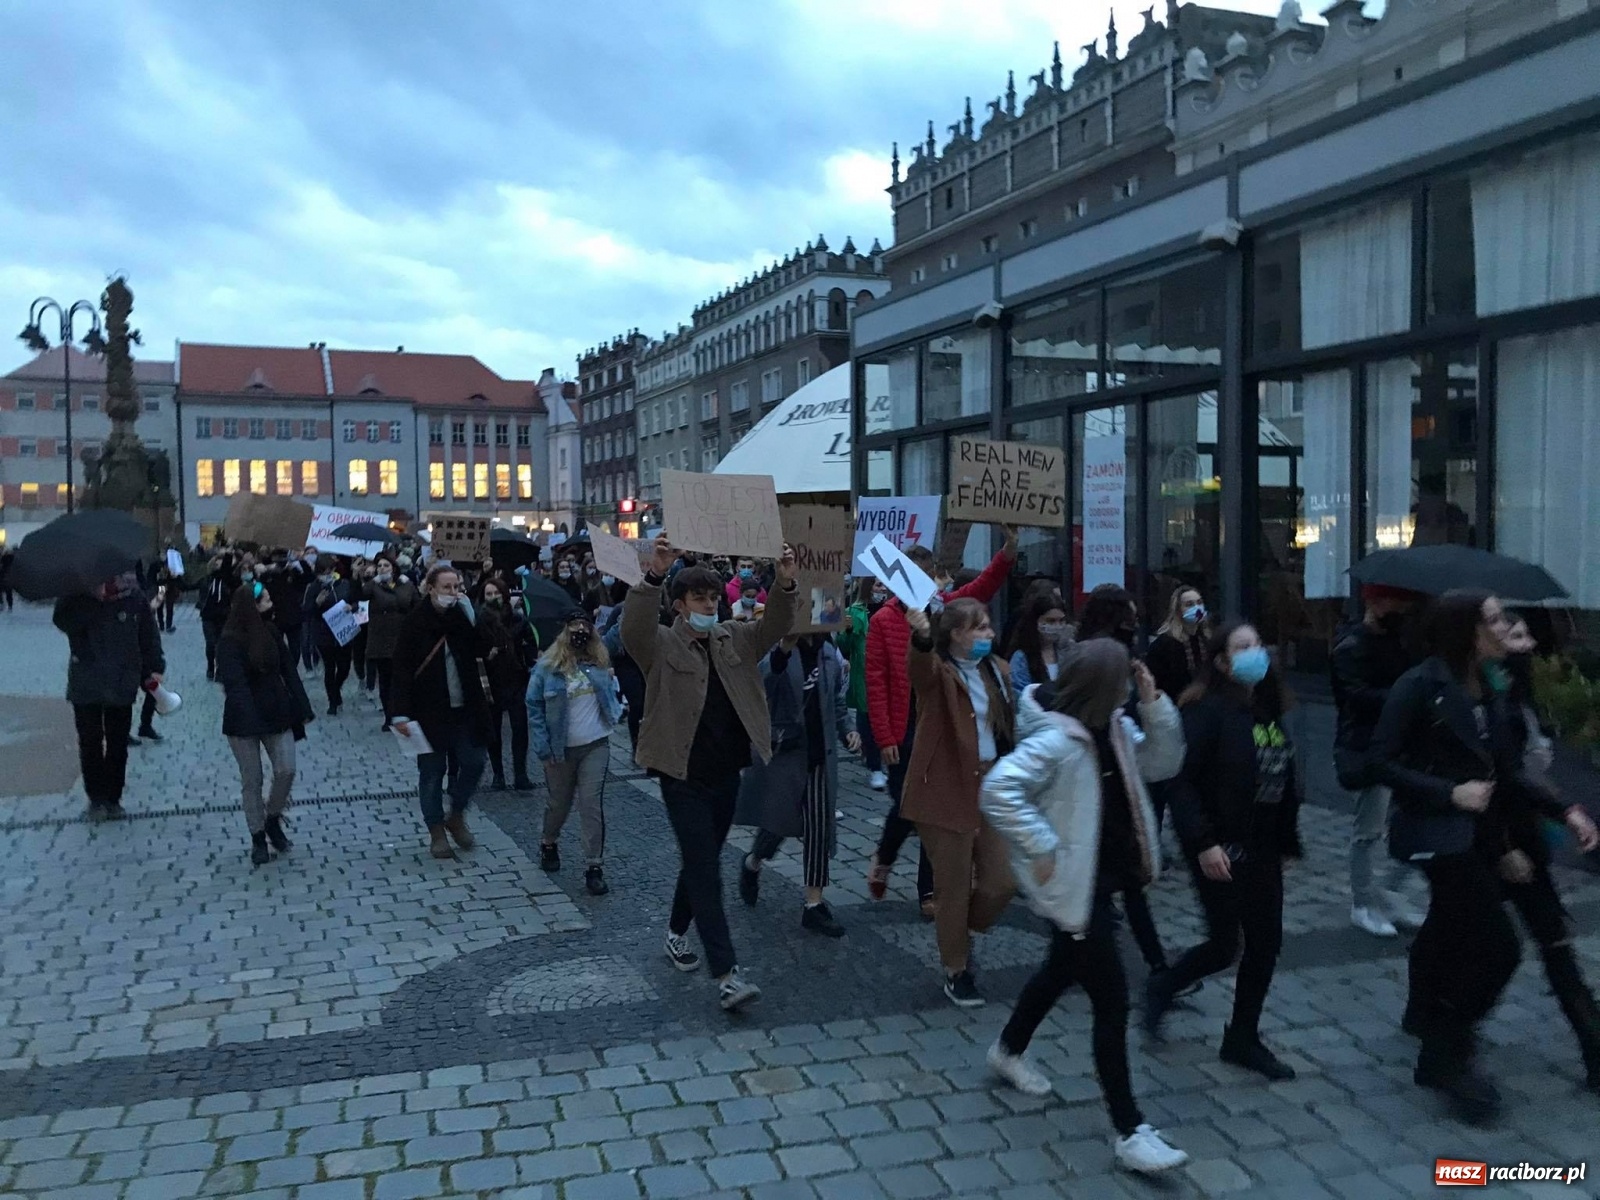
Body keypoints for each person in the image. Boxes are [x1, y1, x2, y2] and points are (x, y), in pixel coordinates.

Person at [1372, 590, 1595, 1121]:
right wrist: (1447, 793)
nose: (1504, 629)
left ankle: (1441, 1044)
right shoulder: (1420, 686)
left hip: (1491, 833)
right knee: (1495, 947)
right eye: (1493, 621)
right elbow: (1373, 762)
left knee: (1494, 936)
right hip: (1442, 836)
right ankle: (1445, 1044)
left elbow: (1509, 771)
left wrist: (1566, 811)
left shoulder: (1491, 689)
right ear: (1467, 631)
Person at [981, 640, 1189, 1175]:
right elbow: (1000, 788)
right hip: (1076, 885)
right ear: (1103, 686)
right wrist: (1043, 845)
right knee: (1112, 1000)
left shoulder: (1115, 727)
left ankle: (1007, 1050)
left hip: (1103, 876)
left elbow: (1163, 763)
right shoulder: (1058, 740)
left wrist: (1154, 705)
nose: (1130, 683)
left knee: (1058, 970)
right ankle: (1129, 1129)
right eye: (1124, 677)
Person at [622, 536, 799, 1013]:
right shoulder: (661, 643)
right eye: (699, 598)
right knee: (704, 866)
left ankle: (676, 931)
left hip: (727, 772)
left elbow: (780, 625)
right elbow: (632, 630)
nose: (708, 604)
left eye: (713, 597)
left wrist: (783, 582)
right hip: (680, 774)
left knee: (703, 857)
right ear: (680, 606)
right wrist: (653, 575)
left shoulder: (734, 636)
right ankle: (726, 975)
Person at [1146, 620, 1302, 1084]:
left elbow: (1280, 779)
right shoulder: (1206, 711)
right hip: (1220, 845)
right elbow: (1181, 781)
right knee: (1223, 944)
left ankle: (1243, 1037)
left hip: (1264, 845)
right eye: (1243, 648)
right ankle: (1163, 984)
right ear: (1220, 661)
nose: (1256, 653)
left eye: (1259, 644)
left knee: (1265, 943)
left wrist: (1288, 839)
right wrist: (1203, 842)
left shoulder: (1266, 709)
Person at [865, 531, 1017, 916]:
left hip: (944, 723)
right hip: (905, 727)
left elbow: (982, 588)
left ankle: (929, 890)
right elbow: (876, 681)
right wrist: (884, 736)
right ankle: (884, 855)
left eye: (926, 574)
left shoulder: (944, 609)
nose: (922, 582)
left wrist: (1007, 553)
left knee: (938, 809)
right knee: (907, 806)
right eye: (913, 575)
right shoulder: (884, 620)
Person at [1499, 616, 1600, 1095]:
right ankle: (1436, 1025)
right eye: (1516, 636)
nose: (1529, 646)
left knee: (1554, 940)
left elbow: (1531, 772)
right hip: (1493, 839)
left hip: (1527, 829)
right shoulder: (1485, 702)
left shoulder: (1521, 699)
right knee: (1461, 938)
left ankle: (1593, 1046)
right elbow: (1498, 779)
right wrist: (1507, 846)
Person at [902, 599, 1017, 1007]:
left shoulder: (997, 671)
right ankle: (956, 969)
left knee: (1002, 881)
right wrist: (920, 636)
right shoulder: (939, 671)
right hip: (944, 788)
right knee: (951, 887)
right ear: (955, 634)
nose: (988, 634)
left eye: (988, 627)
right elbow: (919, 670)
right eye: (979, 628)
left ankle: (960, 931)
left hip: (990, 783)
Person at [736, 632, 860, 936]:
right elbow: (764, 682)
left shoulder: (828, 652)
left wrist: (848, 731)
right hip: (786, 753)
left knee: (818, 826)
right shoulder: (780, 651)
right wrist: (782, 648)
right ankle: (752, 862)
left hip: (818, 755)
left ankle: (813, 905)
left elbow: (837, 703)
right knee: (780, 822)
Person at [1331, 584, 1426, 938]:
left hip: (1400, 744)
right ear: (1374, 601)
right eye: (1394, 601)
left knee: (1416, 821)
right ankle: (1363, 903)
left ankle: (1388, 893)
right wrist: (1403, 697)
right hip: (1366, 746)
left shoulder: (1399, 639)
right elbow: (1354, 696)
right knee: (1368, 831)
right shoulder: (1351, 645)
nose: (1401, 608)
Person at [390, 565, 493, 860]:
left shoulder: (461, 616)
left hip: (465, 707)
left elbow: (482, 648)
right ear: (431, 588)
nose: (453, 593)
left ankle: (456, 813)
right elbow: (401, 670)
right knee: (432, 773)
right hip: (429, 711)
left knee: (473, 761)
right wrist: (400, 713)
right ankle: (436, 830)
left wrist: (473, 617)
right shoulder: (415, 622)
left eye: (457, 587)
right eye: (447, 587)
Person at [53, 573, 164, 820]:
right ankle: (96, 799)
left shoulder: (132, 595)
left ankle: (113, 799)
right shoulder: (76, 592)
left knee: (117, 742)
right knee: (90, 742)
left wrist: (155, 665)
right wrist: (90, 599)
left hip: (121, 677)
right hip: (86, 678)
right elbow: (62, 621)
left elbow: (148, 633)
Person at [217, 584, 313, 865]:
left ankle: (272, 817)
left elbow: (288, 670)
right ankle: (258, 836)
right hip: (243, 719)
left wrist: (303, 706)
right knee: (252, 779)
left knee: (286, 769)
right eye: (267, 599)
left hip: (277, 712)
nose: (272, 603)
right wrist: (249, 715)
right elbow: (235, 685)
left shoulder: (271, 632)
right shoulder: (229, 641)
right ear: (253, 605)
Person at [529, 612, 623, 895]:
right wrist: (543, 747)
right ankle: (549, 841)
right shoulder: (547, 668)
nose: (580, 632)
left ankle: (594, 865)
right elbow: (534, 707)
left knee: (590, 804)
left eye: (585, 627)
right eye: (575, 627)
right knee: (559, 803)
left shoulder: (598, 661)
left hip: (595, 744)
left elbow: (622, 630)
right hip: (560, 749)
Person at [477, 577, 537, 791]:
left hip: (515, 679)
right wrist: (488, 654)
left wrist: (526, 655)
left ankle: (520, 773)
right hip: (490, 682)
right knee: (493, 730)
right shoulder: (480, 621)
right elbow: (474, 651)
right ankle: (498, 774)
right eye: (488, 594)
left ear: (504, 595)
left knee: (520, 728)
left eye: (496, 593)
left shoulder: (518, 619)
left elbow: (530, 646)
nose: (493, 598)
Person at [836, 579, 886, 790]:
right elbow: (842, 646)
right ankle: (875, 765)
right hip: (865, 674)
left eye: (884, 585)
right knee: (867, 717)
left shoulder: (895, 608)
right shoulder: (855, 612)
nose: (881, 590)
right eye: (877, 585)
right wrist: (845, 631)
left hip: (889, 672)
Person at [365, 556, 417, 731]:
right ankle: (389, 716)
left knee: (401, 680)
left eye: (386, 565)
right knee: (385, 680)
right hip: (380, 640)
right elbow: (360, 595)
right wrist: (365, 578)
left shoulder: (406, 584)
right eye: (379, 565)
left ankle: (402, 712)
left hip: (401, 638)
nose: (382, 568)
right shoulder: (374, 585)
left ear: (393, 568)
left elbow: (413, 604)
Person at [303, 559, 357, 715]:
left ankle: (336, 687)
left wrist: (351, 607)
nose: (328, 575)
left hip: (343, 630)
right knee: (329, 667)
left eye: (330, 571)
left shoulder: (344, 584)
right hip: (324, 633)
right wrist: (317, 603)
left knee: (345, 667)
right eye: (324, 572)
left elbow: (355, 602)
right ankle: (332, 701)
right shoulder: (314, 587)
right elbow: (307, 611)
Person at [1008, 589, 1072, 693]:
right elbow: (1018, 696)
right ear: (1035, 622)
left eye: (1061, 621)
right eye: (1050, 621)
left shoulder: (1069, 651)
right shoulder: (1021, 658)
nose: (1057, 626)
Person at [197, 554, 237, 681]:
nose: (218, 566)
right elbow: (187, 586)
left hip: (223, 616)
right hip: (208, 616)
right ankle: (210, 666)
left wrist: (229, 552)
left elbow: (227, 568)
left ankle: (220, 670)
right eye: (216, 563)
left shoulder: (227, 579)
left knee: (221, 644)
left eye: (220, 563)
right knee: (211, 643)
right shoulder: (206, 580)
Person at [0, 547, 14, 611]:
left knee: (7, 593)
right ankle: (9, 606)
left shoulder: (5, 561)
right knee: (8, 593)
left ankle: (4, 605)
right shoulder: (10, 560)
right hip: (7, 579)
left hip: (5, 579)